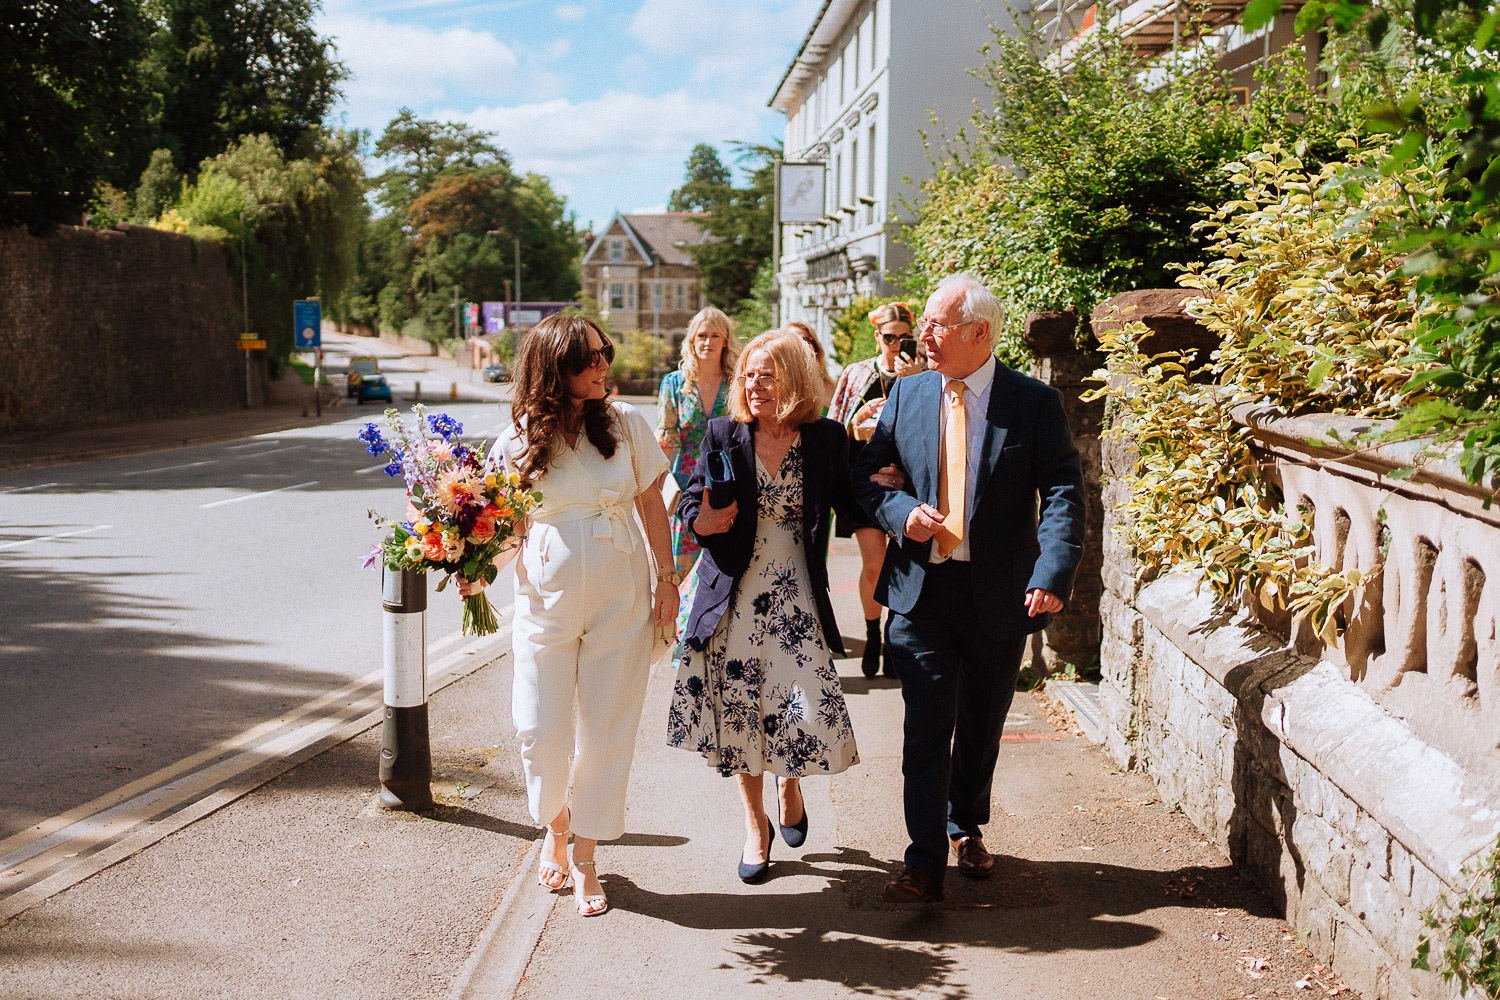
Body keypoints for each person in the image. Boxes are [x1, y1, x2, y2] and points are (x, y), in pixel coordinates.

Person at [851, 273, 1085, 903]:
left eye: (937, 325)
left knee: (981, 725)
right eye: (925, 323)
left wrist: (1052, 571)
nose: (923, 335)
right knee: (926, 725)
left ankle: (965, 824)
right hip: (921, 592)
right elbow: (867, 481)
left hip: (999, 591)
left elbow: (1063, 489)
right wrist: (901, 515)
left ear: (980, 333)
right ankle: (922, 860)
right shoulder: (905, 397)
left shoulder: (1032, 403)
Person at [464, 313, 679, 917]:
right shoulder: (514, 441)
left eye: (603, 353)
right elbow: (504, 528)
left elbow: (651, 503)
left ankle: (584, 857)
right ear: (553, 367)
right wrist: (476, 569)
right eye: (588, 358)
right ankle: (554, 827)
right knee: (539, 729)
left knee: (607, 731)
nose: (601, 366)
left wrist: (667, 579)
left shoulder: (626, 422)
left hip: (623, 598)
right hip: (543, 605)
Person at [666, 329, 862, 885]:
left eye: (767, 374)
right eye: (748, 375)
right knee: (740, 712)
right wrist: (698, 520)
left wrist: (897, 493)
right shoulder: (725, 433)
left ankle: (790, 780)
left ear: (795, 378)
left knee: (797, 703)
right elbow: (691, 495)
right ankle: (756, 826)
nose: (754, 384)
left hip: (796, 594)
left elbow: (854, 499)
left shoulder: (824, 438)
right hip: (734, 592)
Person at [828, 302, 924, 677]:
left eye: (903, 338)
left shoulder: (924, 372)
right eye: (889, 337)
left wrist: (916, 379)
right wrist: (856, 425)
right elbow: (835, 427)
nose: (895, 345)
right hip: (866, 485)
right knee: (874, 564)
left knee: (902, 564)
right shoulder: (856, 374)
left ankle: (892, 636)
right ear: (877, 337)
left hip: (909, 485)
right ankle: (872, 635)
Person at [657, 307, 742, 580]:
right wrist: (657, 490)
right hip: (686, 487)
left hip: (729, 483)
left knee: (724, 572)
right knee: (678, 572)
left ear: (726, 340)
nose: (708, 342)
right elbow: (665, 439)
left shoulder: (738, 383)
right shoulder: (673, 384)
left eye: (715, 336)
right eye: (702, 335)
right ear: (692, 340)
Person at [783, 319, 837, 412]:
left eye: (806, 340)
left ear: (815, 347)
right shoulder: (776, 386)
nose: (801, 345)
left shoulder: (830, 386)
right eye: (794, 340)